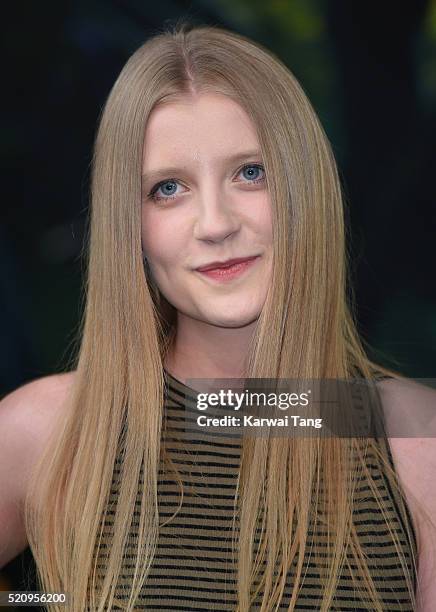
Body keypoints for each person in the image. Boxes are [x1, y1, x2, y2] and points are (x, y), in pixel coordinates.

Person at [1, 21, 435, 612]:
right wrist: (37, 599)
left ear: (306, 188)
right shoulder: (49, 431)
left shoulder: (406, 433)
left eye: (250, 173)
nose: (215, 223)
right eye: (168, 188)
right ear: (128, 224)